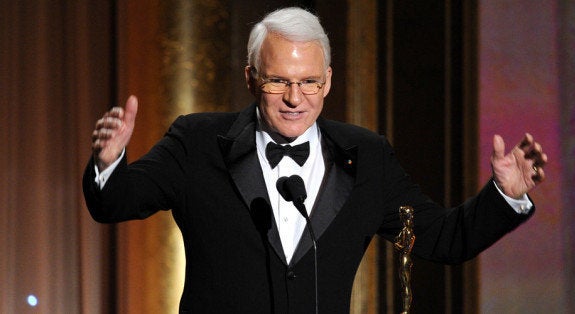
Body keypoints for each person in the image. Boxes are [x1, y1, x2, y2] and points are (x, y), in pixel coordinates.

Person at [83, 7, 547, 314]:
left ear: (327, 81)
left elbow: (443, 239)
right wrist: (110, 160)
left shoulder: (367, 156)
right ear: (250, 78)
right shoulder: (199, 141)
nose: (293, 98)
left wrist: (504, 197)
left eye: (308, 82)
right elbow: (117, 202)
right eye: (277, 81)